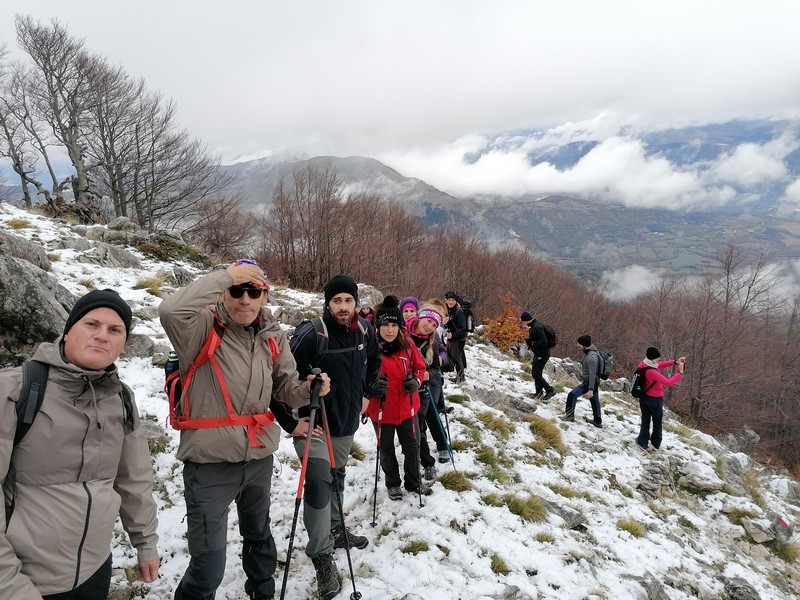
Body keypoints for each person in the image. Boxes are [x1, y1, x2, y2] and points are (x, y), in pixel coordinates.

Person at [159, 260, 328, 600]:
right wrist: (225, 276)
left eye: (254, 291)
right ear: (223, 294)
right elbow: (170, 310)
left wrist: (310, 388)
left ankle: (263, 593)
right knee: (208, 567)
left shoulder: (272, 335)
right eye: (236, 291)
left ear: (265, 296)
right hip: (209, 463)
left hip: (258, 457)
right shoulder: (200, 328)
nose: (245, 299)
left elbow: (286, 388)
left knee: (259, 538)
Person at [0, 289, 160, 599]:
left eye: (115, 330)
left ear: (123, 344)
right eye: (91, 324)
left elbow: (134, 478)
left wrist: (146, 543)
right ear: (68, 330)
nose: (102, 336)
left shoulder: (121, 398)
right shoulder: (13, 390)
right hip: (24, 580)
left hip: (94, 570)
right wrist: (10, 586)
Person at [274, 274, 381, 600]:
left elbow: (375, 361)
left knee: (335, 477)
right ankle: (321, 555)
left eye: (348, 300)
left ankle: (335, 529)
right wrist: (291, 422)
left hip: (345, 423)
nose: (343, 306)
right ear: (328, 303)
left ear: (355, 302)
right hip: (314, 427)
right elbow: (279, 379)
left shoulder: (365, 331)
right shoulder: (311, 334)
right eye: (337, 301)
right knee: (320, 482)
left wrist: (367, 393)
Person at [365, 297, 431, 500]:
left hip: (407, 408)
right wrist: (372, 385)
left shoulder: (408, 346)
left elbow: (420, 368)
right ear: (378, 326)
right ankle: (393, 483)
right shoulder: (369, 348)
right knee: (386, 450)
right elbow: (358, 376)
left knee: (412, 447)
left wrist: (416, 382)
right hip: (380, 409)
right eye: (385, 325)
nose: (390, 330)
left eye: (394, 325)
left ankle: (413, 482)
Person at [407, 303, 451, 472]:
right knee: (423, 419)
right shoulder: (402, 335)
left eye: (434, 324)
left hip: (426, 385)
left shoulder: (433, 341)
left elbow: (437, 366)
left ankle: (428, 460)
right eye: (428, 321)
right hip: (407, 387)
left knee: (422, 420)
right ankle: (430, 454)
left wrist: (430, 372)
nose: (430, 326)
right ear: (420, 317)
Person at [635, 347, 685, 452]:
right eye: (658, 358)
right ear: (653, 359)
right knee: (657, 422)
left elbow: (659, 365)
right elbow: (668, 382)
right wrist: (679, 373)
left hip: (644, 397)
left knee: (645, 420)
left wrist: (675, 362)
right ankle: (656, 443)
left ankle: (642, 441)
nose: (659, 360)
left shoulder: (644, 364)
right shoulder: (651, 372)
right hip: (655, 399)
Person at [562, 335, 602, 427]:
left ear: (584, 345)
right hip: (593, 382)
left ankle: (569, 416)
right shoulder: (590, 352)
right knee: (594, 401)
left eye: (579, 344)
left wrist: (590, 389)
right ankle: (597, 421)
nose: (578, 345)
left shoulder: (591, 357)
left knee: (572, 395)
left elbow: (592, 374)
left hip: (589, 382)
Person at [520, 311, 555, 400]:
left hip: (542, 354)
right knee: (537, 373)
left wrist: (532, 343)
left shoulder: (536, 328)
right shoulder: (534, 326)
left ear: (526, 321)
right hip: (539, 353)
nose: (523, 324)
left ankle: (550, 390)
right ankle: (538, 393)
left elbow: (544, 341)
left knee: (536, 374)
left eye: (523, 321)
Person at [443, 291, 468, 383]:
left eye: (453, 300)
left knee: (457, 359)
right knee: (454, 357)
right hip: (452, 339)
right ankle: (459, 377)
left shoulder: (459, 311)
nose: (451, 302)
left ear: (456, 301)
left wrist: (453, 335)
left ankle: (461, 378)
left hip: (459, 339)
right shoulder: (449, 311)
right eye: (449, 300)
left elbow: (462, 329)